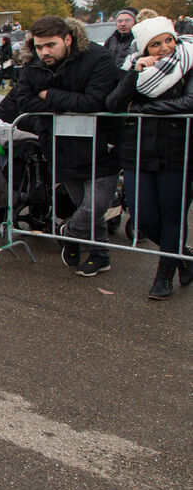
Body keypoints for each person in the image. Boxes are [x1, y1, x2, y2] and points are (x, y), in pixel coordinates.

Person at [16, 15, 120, 277]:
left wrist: (48, 94)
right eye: (39, 47)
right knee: (85, 206)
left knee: (95, 205)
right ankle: (100, 255)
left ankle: (70, 233)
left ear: (68, 39)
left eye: (50, 45)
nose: (44, 52)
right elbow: (24, 100)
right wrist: (68, 102)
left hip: (100, 145)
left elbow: (95, 102)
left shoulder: (98, 57)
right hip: (61, 147)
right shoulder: (33, 64)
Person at [105, 16, 193, 298]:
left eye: (169, 40)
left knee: (172, 217)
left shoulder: (188, 63)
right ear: (144, 49)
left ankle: (163, 277)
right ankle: (184, 256)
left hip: (178, 152)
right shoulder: (133, 66)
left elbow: (190, 102)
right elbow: (113, 102)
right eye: (155, 44)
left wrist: (144, 110)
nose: (165, 47)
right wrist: (135, 74)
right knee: (143, 218)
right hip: (137, 151)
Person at [104, 8, 137, 73]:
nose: (123, 24)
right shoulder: (111, 39)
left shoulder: (137, 40)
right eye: (120, 21)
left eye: (127, 20)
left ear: (135, 22)